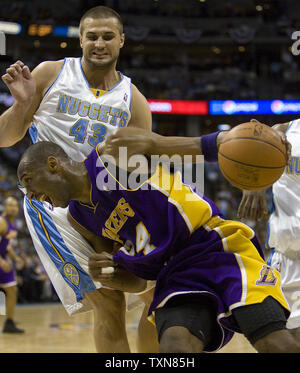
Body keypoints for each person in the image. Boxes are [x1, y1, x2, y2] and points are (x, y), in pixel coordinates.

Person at [17, 140, 300, 353]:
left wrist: (242, 159)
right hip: (174, 274)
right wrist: (107, 273)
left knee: (276, 343)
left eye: (29, 182)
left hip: (214, 246)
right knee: (174, 349)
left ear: (53, 164)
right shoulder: (79, 219)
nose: (31, 195)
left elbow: (178, 146)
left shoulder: (110, 158)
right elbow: (136, 281)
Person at [0, 6, 157, 352]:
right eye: (92, 36)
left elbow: (141, 172)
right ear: (81, 39)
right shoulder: (51, 73)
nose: (99, 43)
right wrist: (21, 106)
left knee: (156, 294)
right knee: (109, 302)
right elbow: (5, 137)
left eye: (107, 36)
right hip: (55, 207)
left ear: (121, 41)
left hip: (109, 206)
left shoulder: (135, 101)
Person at [237, 118, 300, 339]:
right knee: (287, 342)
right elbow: (261, 141)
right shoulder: (286, 131)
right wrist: (254, 183)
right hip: (289, 259)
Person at [0, 196, 24, 333]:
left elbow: (6, 245)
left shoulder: (13, 223)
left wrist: (16, 258)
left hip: (3, 258)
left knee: (12, 290)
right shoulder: (2, 222)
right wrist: (1, 261)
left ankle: (9, 323)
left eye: (15, 205)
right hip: (1, 260)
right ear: (4, 206)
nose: (13, 208)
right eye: (10, 205)